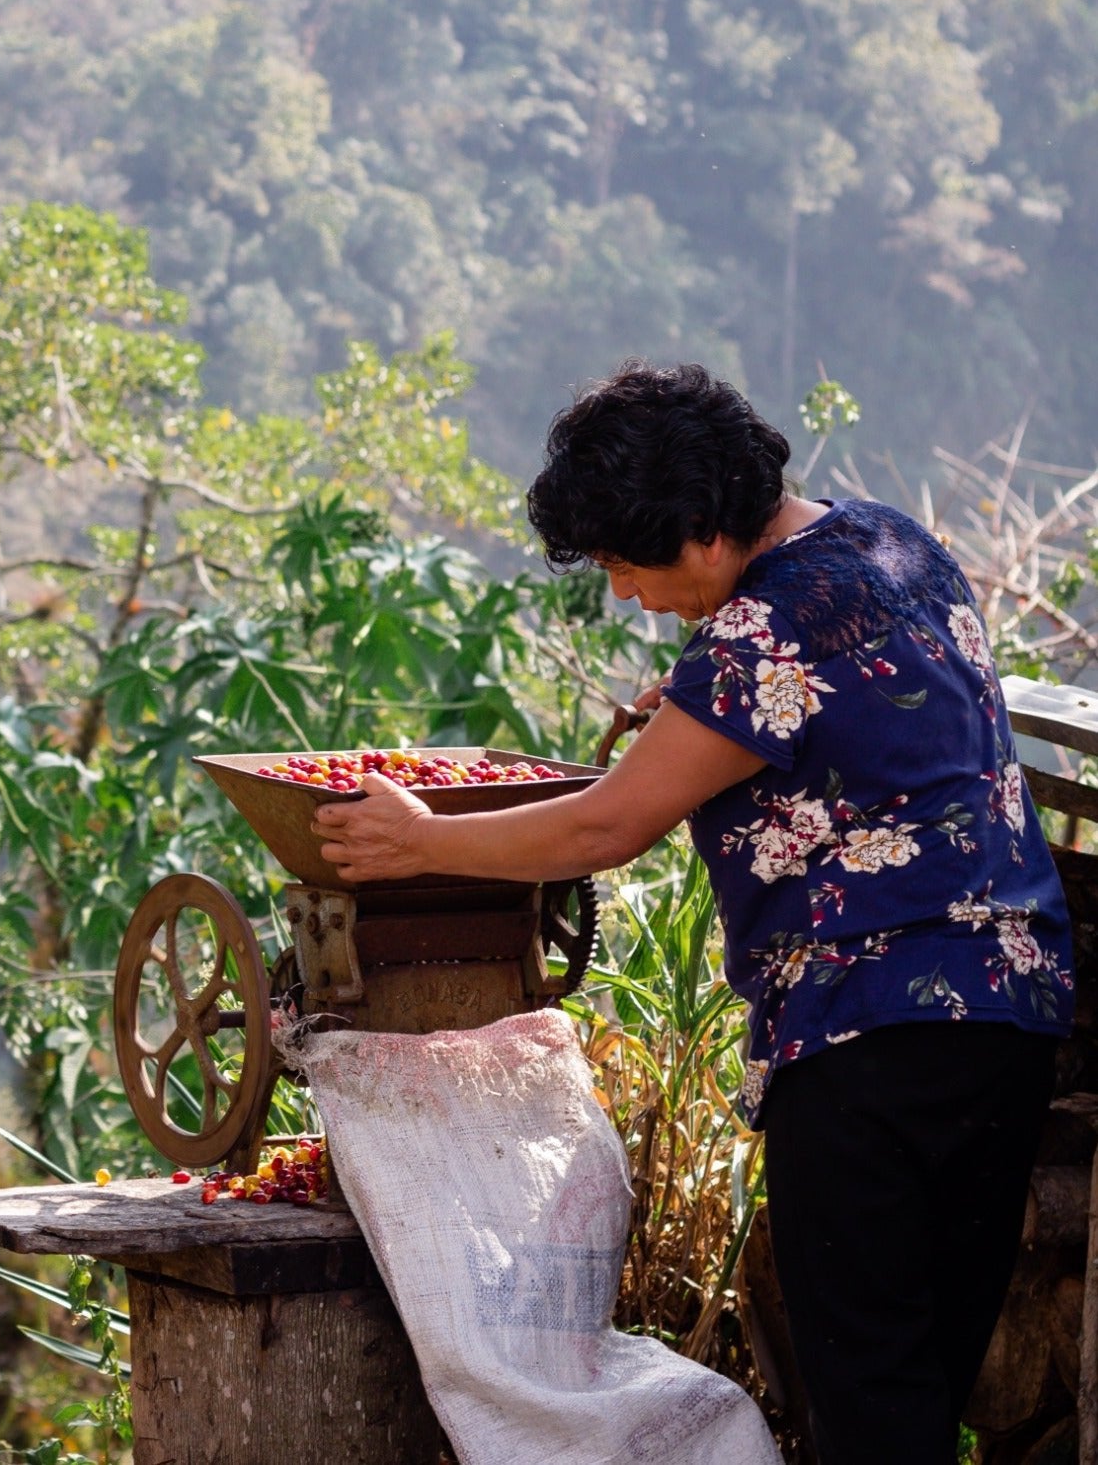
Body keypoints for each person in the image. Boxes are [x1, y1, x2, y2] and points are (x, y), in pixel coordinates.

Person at [310, 361, 1073, 1463]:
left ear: (701, 528)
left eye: (625, 562)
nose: (622, 592)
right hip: (1005, 1012)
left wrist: (416, 840)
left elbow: (596, 828)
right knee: (919, 1373)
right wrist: (688, 707)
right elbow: (861, 721)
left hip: (867, 1033)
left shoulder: (758, 637)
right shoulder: (888, 543)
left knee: (861, 1388)